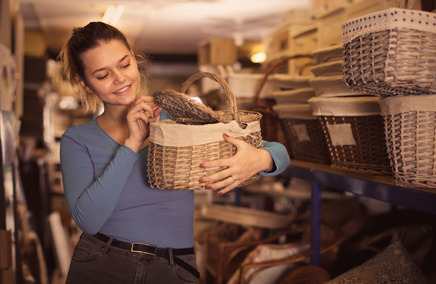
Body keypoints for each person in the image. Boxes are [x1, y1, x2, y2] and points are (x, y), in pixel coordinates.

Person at [59, 21, 290, 284]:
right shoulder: (77, 140)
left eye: (124, 65)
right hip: (102, 263)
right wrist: (132, 143)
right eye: (102, 75)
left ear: (135, 60)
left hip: (172, 268)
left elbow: (280, 152)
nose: (120, 78)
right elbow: (88, 220)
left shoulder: (179, 120)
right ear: (85, 83)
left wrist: (259, 159)